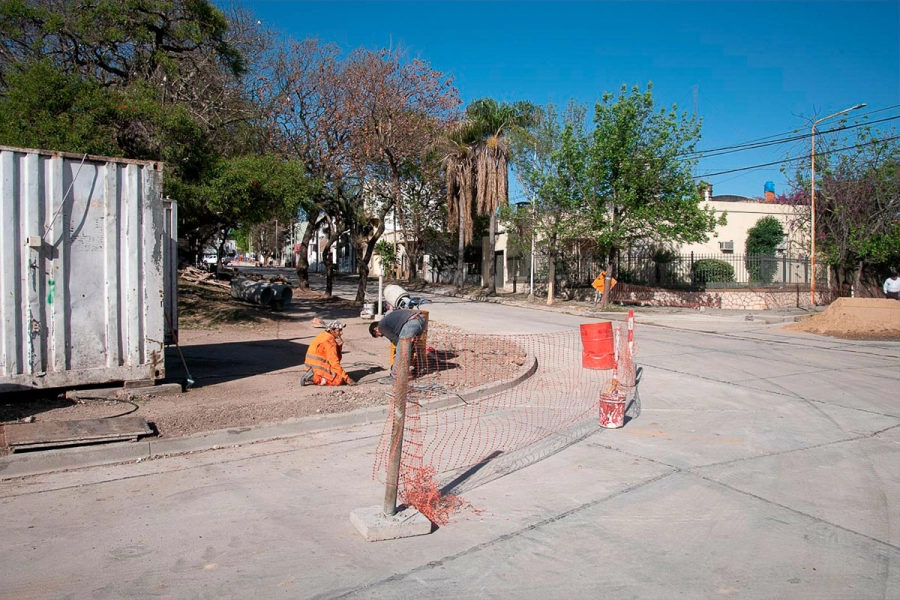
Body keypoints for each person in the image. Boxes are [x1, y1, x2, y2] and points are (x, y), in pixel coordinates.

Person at [368, 309, 428, 376]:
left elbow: (397, 341)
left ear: (375, 329)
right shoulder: (390, 323)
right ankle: (420, 369)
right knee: (414, 346)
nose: (381, 336)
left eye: (378, 335)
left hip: (412, 321)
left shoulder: (381, 326)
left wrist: (397, 353)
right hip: (422, 319)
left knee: (401, 347)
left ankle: (395, 376)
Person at [301, 320, 355, 386]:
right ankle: (313, 377)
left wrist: (338, 347)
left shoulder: (324, 335)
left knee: (339, 374)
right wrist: (347, 378)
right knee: (338, 380)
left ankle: (313, 374)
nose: (341, 333)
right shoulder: (330, 341)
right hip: (317, 367)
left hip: (311, 366)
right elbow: (335, 362)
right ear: (332, 330)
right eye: (339, 330)